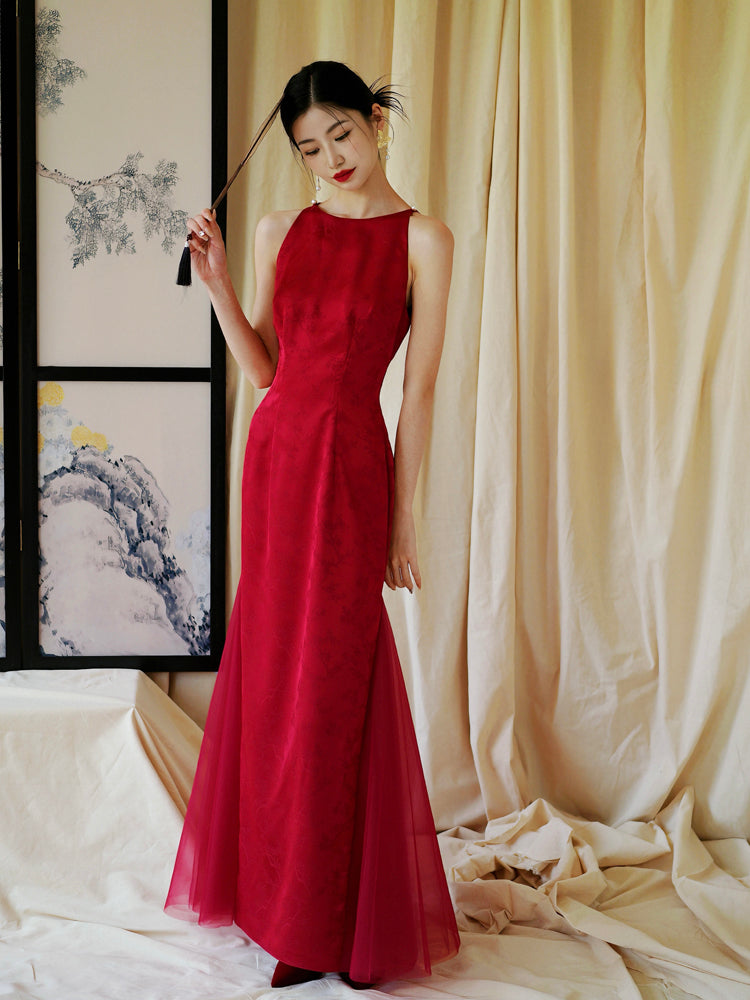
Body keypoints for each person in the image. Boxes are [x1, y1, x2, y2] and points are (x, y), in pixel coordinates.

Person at [165, 60, 460, 990]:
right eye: (308, 148)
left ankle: (334, 919)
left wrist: (402, 518)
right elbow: (263, 369)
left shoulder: (426, 240)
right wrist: (215, 283)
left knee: (334, 681)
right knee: (275, 679)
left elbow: (417, 395)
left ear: (374, 121)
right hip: (279, 462)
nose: (330, 158)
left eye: (342, 134)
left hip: (350, 469)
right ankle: (275, 905)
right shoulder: (276, 227)